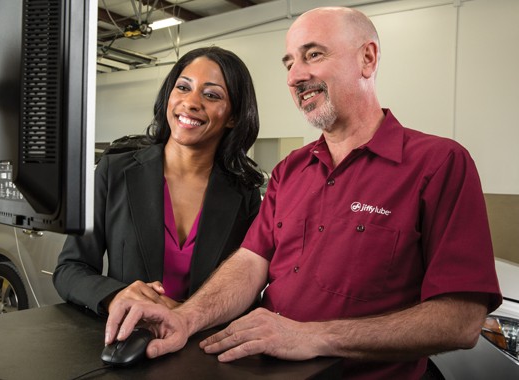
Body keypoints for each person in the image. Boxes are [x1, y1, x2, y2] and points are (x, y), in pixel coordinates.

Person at [106, 7, 503, 380]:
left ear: (367, 59)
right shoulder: (289, 170)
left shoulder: (438, 163)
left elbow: (461, 320)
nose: (295, 75)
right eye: (289, 63)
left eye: (312, 55)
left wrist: (314, 336)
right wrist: (186, 318)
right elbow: (250, 262)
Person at [53, 46, 264, 316]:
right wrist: (115, 296)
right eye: (183, 88)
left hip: (202, 348)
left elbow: (247, 290)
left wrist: (192, 315)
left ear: (233, 117)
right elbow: (70, 269)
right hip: (127, 342)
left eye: (211, 95)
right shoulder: (115, 170)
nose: (191, 102)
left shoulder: (244, 194)